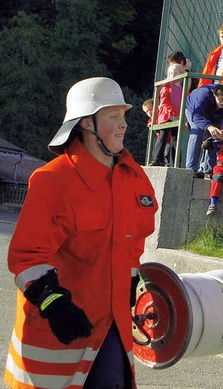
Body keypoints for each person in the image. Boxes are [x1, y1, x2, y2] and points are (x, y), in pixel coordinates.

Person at [4, 77, 158, 388]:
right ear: (87, 123)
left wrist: (132, 282)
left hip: (111, 326)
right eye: (113, 116)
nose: (124, 124)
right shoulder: (52, 180)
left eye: (124, 115)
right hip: (58, 328)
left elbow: (134, 242)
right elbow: (27, 255)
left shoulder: (135, 178)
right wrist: (53, 303)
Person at [185, 82, 223, 178]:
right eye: (220, 99)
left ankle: (208, 169)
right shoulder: (202, 95)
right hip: (195, 111)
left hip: (216, 116)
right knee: (197, 132)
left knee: (215, 137)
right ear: (215, 95)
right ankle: (191, 169)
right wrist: (209, 126)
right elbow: (197, 116)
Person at [150, 63, 184, 166]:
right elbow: (165, 102)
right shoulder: (166, 87)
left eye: (175, 73)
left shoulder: (182, 88)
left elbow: (184, 100)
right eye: (170, 73)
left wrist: (181, 114)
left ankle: (176, 162)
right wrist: (175, 112)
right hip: (167, 115)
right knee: (163, 137)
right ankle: (156, 159)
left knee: (176, 139)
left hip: (177, 116)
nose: (172, 75)